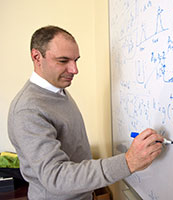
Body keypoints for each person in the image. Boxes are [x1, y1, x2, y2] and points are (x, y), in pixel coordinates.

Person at [7, 25, 164, 200]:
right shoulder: (28, 110)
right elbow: (56, 177)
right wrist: (128, 162)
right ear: (37, 57)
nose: (74, 70)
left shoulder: (57, 89)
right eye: (63, 61)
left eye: (76, 60)